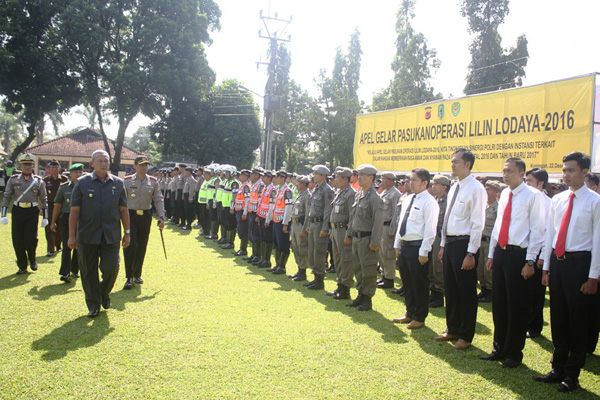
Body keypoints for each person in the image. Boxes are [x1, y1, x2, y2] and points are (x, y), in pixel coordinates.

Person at [535, 152, 600, 393]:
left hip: (580, 264)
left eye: (571, 170)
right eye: (563, 170)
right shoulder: (558, 199)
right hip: (559, 263)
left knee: (578, 321)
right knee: (558, 318)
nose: (565, 174)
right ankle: (557, 368)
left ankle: (572, 374)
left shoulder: (595, 202)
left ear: (585, 172)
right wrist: (547, 268)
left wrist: (593, 276)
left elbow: (597, 240)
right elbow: (551, 235)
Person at [479, 157, 545, 368]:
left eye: (509, 171)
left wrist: (530, 261)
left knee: (516, 306)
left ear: (522, 173)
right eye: (504, 171)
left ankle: (514, 353)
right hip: (501, 253)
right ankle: (499, 348)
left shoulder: (533, 196)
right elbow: (498, 226)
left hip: (520, 255)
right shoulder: (505, 194)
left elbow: (537, 230)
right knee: (499, 303)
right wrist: (491, 254)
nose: (505, 174)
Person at [68, 150, 130, 318]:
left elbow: (124, 210)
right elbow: (74, 211)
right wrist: (71, 236)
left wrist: (127, 232)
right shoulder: (81, 183)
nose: (104, 164)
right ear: (92, 164)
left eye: (106, 161)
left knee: (112, 267)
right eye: (100, 161)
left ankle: (103, 293)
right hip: (87, 235)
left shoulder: (118, 183)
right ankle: (93, 304)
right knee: (88, 272)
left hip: (111, 234)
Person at [436, 148, 486, 350]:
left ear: (468, 164)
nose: (452, 164)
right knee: (451, 289)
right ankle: (453, 328)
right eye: (452, 161)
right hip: (450, 244)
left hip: (464, 245)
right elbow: (448, 219)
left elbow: (477, 224)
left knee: (465, 292)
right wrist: (442, 245)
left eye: (456, 161)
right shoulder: (455, 186)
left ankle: (466, 335)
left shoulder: (476, 189)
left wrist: (471, 253)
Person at [392, 168, 439, 329]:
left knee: (419, 284)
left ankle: (419, 316)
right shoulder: (408, 199)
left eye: (414, 180)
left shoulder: (429, 201)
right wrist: (397, 244)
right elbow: (401, 223)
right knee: (407, 282)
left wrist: (424, 251)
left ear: (425, 183)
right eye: (409, 180)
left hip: (418, 247)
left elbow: (430, 229)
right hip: (405, 246)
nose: (410, 183)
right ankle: (410, 312)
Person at [1, 153, 48, 274]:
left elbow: (43, 199)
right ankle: (22, 265)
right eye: (25, 164)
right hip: (18, 210)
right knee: (17, 239)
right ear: (20, 166)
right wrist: (4, 215)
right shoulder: (13, 179)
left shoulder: (38, 181)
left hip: (32, 211)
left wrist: (45, 217)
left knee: (31, 238)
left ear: (33, 165)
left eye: (29, 164)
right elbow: (6, 196)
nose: (27, 166)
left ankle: (32, 259)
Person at [123, 155, 165, 289]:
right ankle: (129, 276)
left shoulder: (153, 181)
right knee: (131, 244)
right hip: (130, 216)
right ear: (135, 166)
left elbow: (158, 199)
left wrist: (161, 217)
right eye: (141, 165)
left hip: (145, 216)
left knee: (141, 245)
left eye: (146, 165)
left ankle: (137, 273)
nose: (144, 167)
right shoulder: (127, 181)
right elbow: (121, 200)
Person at [345, 164, 383, 311]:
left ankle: (367, 298)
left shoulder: (375, 197)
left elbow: (378, 222)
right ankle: (360, 295)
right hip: (356, 238)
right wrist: (348, 234)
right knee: (358, 268)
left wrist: (374, 242)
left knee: (368, 270)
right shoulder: (359, 194)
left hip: (367, 240)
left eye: (362, 175)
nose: (358, 177)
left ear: (371, 178)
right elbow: (352, 217)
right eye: (358, 175)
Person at [524, 167, 552, 339]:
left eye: (530, 181)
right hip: (525, 251)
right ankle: (525, 322)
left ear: (541, 183)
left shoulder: (549, 202)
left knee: (535, 293)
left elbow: (547, 232)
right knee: (524, 292)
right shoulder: (527, 198)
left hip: (539, 254)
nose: (527, 184)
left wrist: (541, 257)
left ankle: (534, 327)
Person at [50, 163, 84, 282]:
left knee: (79, 245)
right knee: (66, 245)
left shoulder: (86, 187)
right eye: (76, 172)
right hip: (66, 218)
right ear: (70, 174)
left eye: (80, 172)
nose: (78, 174)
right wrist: (53, 221)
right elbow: (57, 205)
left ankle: (75, 270)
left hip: (82, 219)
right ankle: (65, 272)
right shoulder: (64, 188)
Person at [326, 167, 356, 299]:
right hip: (336, 230)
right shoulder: (339, 192)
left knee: (346, 260)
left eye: (338, 177)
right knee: (337, 259)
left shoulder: (351, 194)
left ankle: (345, 288)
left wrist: (348, 234)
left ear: (345, 179)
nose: (335, 180)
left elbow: (352, 216)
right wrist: (332, 230)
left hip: (344, 231)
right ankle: (340, 284)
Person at [303, 165, 334, 290]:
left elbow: (327, 210)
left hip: (321, 224)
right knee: (311, 252)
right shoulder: (316, 188)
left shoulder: (327, 190)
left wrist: (325, 228)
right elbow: (312, 208)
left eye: (316, 174)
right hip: (314, 223)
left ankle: (320, 279)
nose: (314, 176)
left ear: (323, 176)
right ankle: (315, 276)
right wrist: (309, 224)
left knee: (319, 253)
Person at [477, 181, 502, 303]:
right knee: (480, 268)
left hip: (489, 241)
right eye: (485, 189)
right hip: (480, 240)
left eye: (489, 189)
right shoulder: (483, 205)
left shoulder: (498, 207)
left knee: (488, 269)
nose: (486, 191)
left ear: (496, 192)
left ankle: (490, 291)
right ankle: (483, 290)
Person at [428, 174, 450, 308]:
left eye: (436, 184)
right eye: (433, 184)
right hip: (432, 236)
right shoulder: (434, 199)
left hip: (440, 236)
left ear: (444, 187)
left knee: (438, 266)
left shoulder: (447, 201)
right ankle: (433, 292)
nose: (433, 186)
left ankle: (439, 294)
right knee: (430, 265)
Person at [378, 172, 401, 289]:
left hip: (388, 227)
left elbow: (396, 215)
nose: (381, 181)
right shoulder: (384, 193)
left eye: (384, 179)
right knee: (381, 253)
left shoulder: (395, 194)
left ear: (391, 180)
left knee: (388, 253)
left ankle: (389, 278)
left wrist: (392, 231)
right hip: (381, 227)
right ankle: (384, 275)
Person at [270, 170, 293, 274]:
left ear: (283, 178)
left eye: (278, 177)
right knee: (277, 243)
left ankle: (282, 266)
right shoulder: (279, 190)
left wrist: (285, 223)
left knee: (283, 244)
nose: (276, 179)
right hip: (276, 220)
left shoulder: (287, 191)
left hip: (282, 222)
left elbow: (288, 208)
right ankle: (277, 264)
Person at [43, 159, 67, 256]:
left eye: (56, 167)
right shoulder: (45, 180)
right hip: (49, 206)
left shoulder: (64, 179)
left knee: (60, 226)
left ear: (59, 168)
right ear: (49, 169)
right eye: (52, 167)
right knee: (49, 226)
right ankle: (50, 248)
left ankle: (58, 246)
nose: (54, 169)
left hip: (62, 206)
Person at [289, 175, 311, 281]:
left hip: (300, 225)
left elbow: (308, 214)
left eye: (299, 183)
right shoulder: (299, 195)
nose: (297, 184)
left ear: (304, 184)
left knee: (302, 248)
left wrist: (304, 229)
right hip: (294, 224)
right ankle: (299, 270)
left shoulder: (307, 196)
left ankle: (303, 272)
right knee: (295, 248)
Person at [254, 170, 277, 268]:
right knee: (262, 238)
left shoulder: (272, 189)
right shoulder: (265, 188)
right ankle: (263, 258)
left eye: (264, 177)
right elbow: (261, 203)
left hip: (268, 218)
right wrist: (258, 215)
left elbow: (271, 206)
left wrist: (268, 220)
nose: (262, 178)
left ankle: (267, 260)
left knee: (268, 239)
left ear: (269, 178)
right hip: (262, 216)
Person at [244, 168, 264, 263]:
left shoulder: (260, 185)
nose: (251, 175)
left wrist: (258, 214)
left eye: (252, 174)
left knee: (256, 235)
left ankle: (257, 255)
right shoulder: (254, 184)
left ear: (256, 175)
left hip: (256, 212)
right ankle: (254, 254)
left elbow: (260, 200)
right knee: (252, 233)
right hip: (251, 211)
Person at [232, 169, 252, 256]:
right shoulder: (242, 186)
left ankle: (243, 249)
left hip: (242, 211)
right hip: (238, 210)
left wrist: (245, 212)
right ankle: (241, 248)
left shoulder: (246, 186)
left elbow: (247, 200)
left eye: (241, 175)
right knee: (240, 229)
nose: (239, 176)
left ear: (246, 177)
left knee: (243, 230)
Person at [221, 166, 239, 250]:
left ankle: (230, 242)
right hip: (225, 205)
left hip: (230, 207)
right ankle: (227, 240)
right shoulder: (228, 182)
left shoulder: (234, 183)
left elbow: (234, 196)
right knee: (226, 223)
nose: (226, 174)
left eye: (227, 172)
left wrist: (232, 207)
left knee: (231, 224)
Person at [182, 166, 197, 230]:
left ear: (189, 172)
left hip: (189, 196)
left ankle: (189, 225)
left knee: (189, 211)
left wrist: (190, 198)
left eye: (186, 171)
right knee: (186, 210)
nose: (185, 173)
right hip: (186, 195)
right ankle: (187, 224)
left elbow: (192, 189)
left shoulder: (191, 179)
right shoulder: (188, 178)